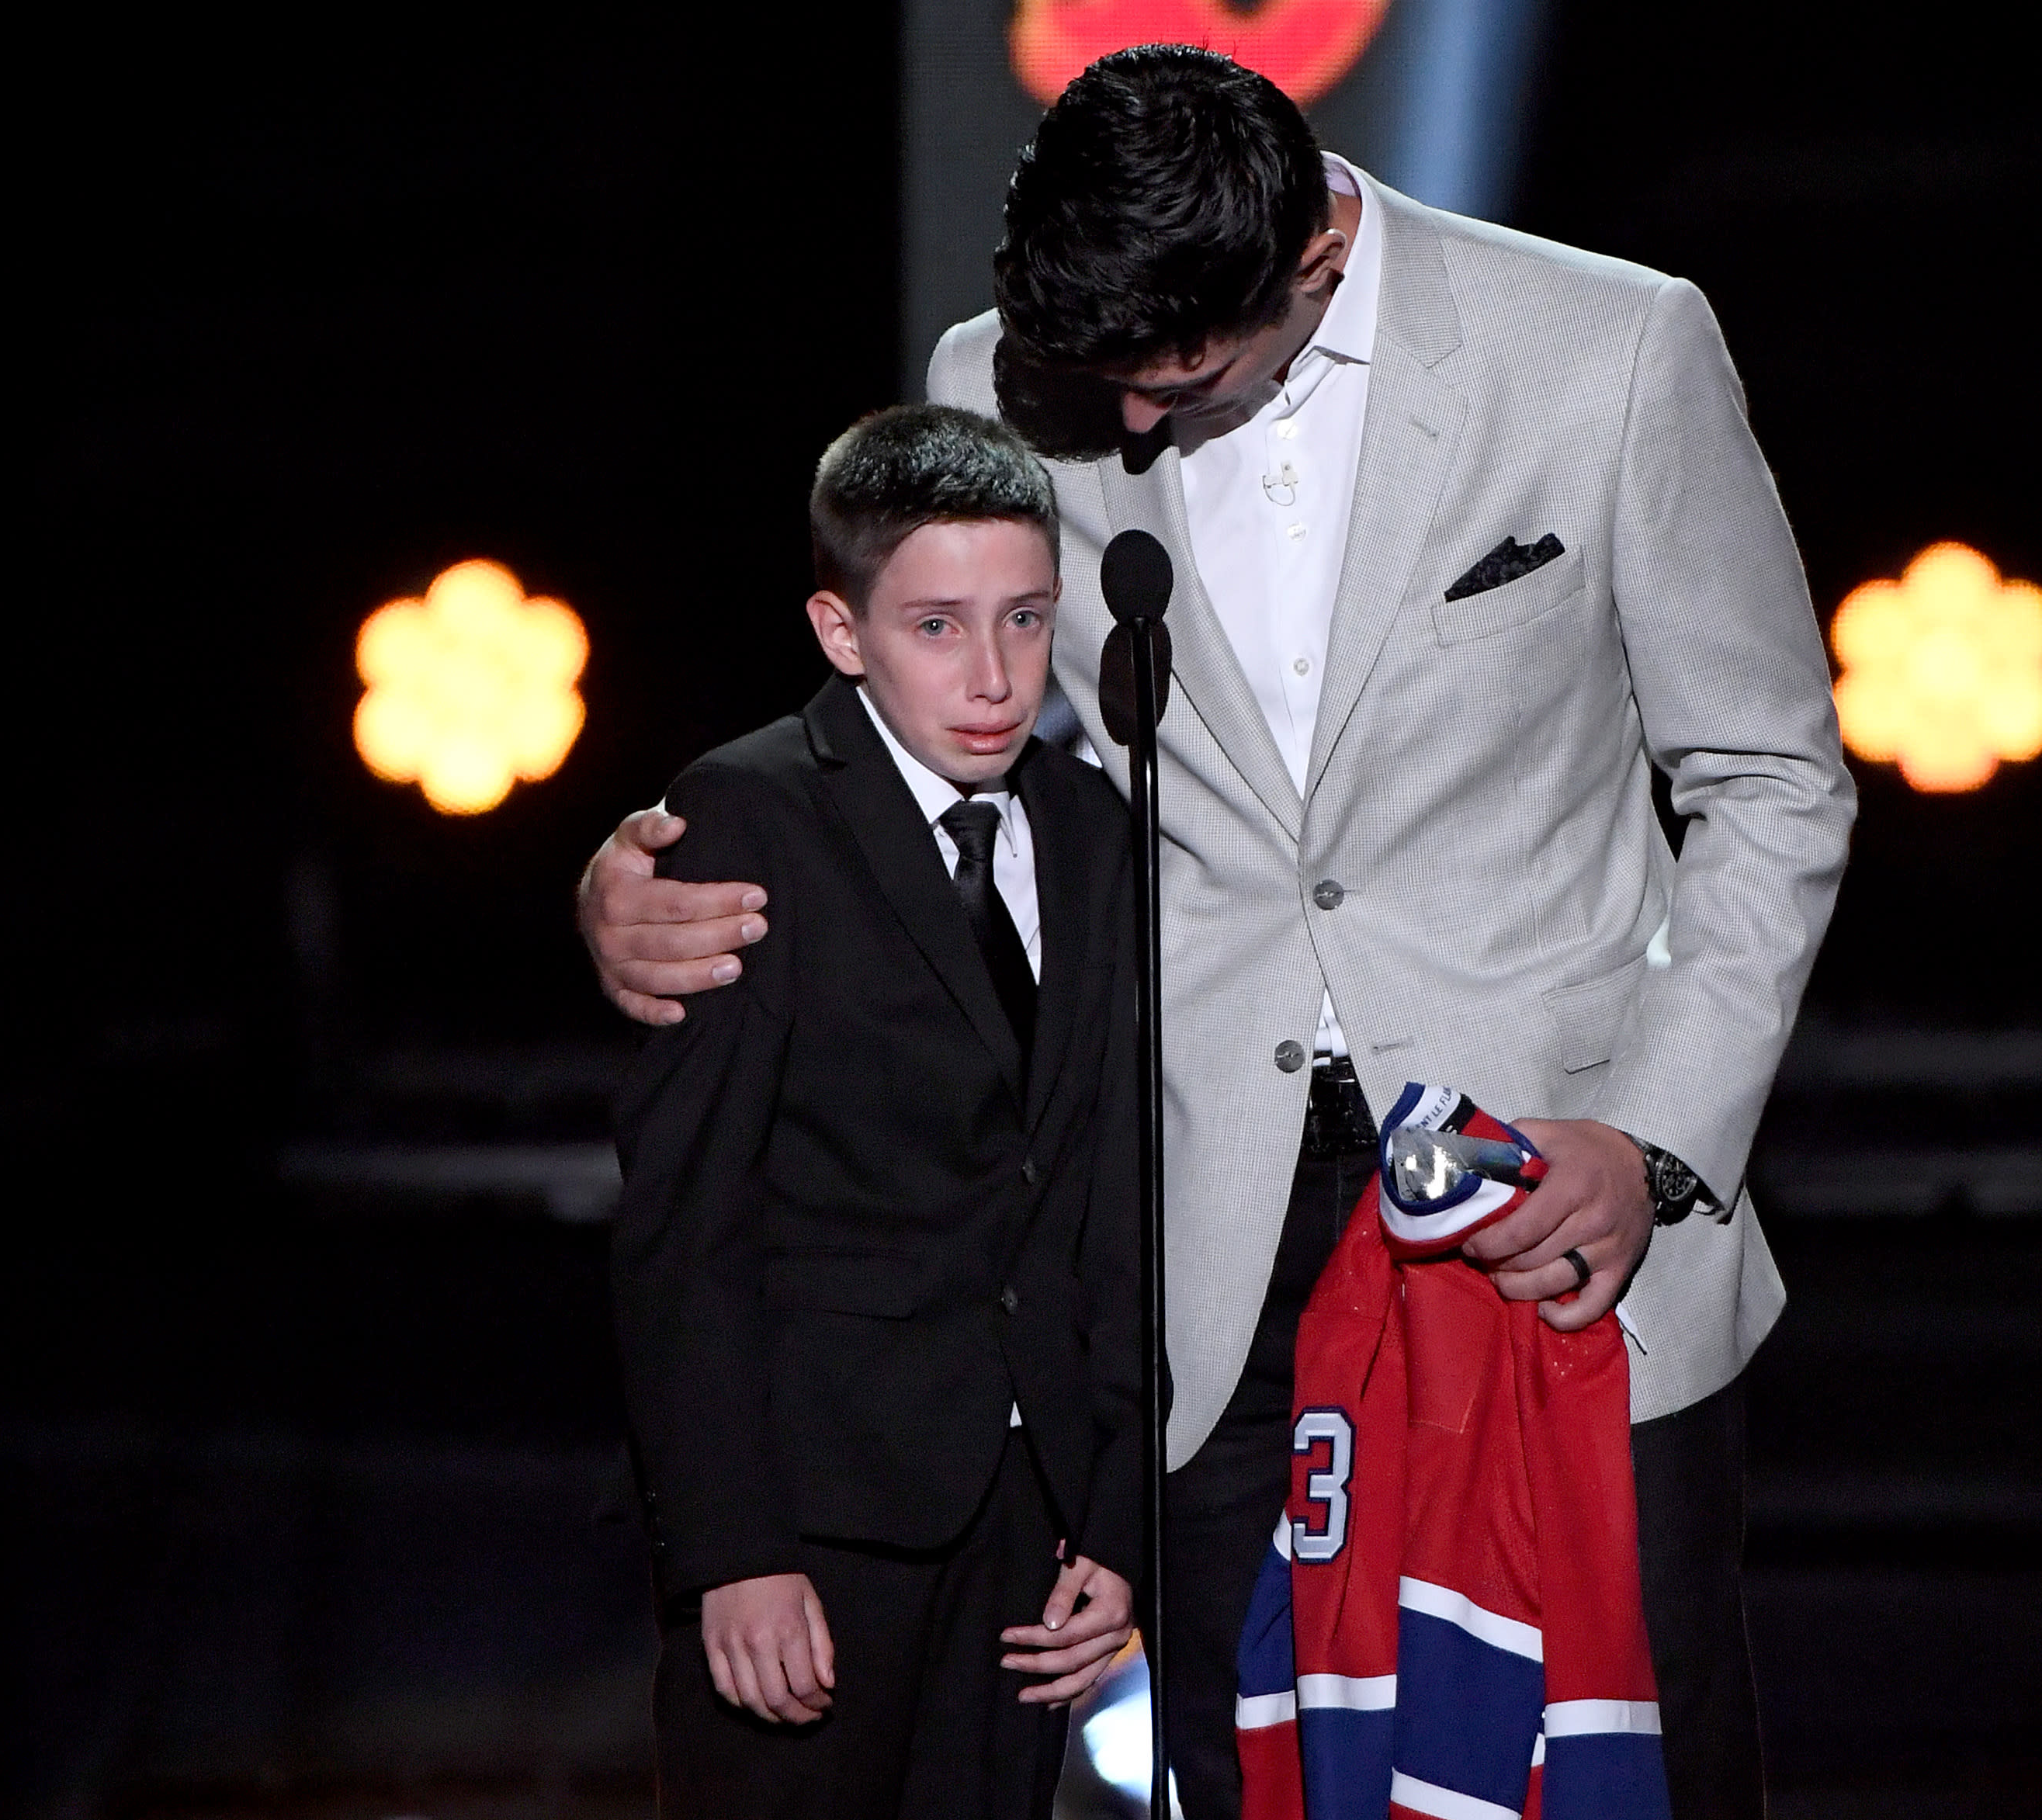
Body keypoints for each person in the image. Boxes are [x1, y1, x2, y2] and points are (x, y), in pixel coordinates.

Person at [584, 47, 1853, 1820]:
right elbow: (934, 730)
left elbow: (1773, 779)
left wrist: (1653, 1140)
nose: (1114, 432)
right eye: (1089, 387)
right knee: (1243, 1767)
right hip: (1190, 1223)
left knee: (1616, 1765)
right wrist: (654, 860)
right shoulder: (997, 381)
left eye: (1171, 385)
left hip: (1555, 1197)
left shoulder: (1610, 347)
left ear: (1310, 270)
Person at [610, 404, 1143, 1820]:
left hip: (1033, 1533)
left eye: (1026, 620)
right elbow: (686, 1217)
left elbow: (1108, 1193)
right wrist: (729, 1549)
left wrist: (1118, 1517)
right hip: (815, 1527)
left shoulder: (1096, 834)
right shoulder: (750, 814)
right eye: (937, 626)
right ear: (842, 634)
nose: (993, 674)